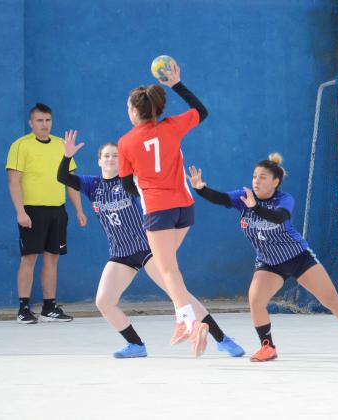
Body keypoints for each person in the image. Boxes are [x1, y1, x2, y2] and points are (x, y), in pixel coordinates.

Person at [58, 133, 244, 358]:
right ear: (99, 161)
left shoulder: (130, 181)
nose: (110, 159)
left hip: (148, 248)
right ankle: (136, 345)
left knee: (180, 295)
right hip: (120, 254)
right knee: (104, 302)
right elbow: (63, 177)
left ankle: (222, 339)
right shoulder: (92, 185)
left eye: (115, 156)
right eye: (106, 156)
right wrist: (67, 157)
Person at [187, 154, 338, 362]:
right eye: (254, 176)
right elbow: (221, 198)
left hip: (298, 258)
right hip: (269, 262)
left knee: (331, 300)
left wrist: (255, 207)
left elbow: (280, 218)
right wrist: (200, 188)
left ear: (275, 182)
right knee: (255, 300)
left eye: (262, 177)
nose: (256, 180)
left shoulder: (284, 199)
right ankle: (268, 347)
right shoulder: (243, 197)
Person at [117, 59, 213, 354]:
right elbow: (202, 111)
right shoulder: (172, 126)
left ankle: (189, 322)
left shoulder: (126, 142)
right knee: (170, 268)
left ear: (135, 111)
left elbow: (126, 184)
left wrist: (145, 191)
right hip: (185, 208)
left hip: (158, 211)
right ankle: (180, 318)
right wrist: (176, 85)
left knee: (167, 269)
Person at [6, 103, 86, 324]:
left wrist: (79, 209)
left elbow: (71, 182)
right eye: (39, 121)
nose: (44, 124)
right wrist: (20, 211)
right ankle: (23, 309)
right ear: (31, 123)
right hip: (31, 211)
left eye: (47, 120)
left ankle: (49, 308)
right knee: (29, 259)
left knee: (52, 259)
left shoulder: (62, 145)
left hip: (57, 211)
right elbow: (14, 181)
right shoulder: (21, 145)